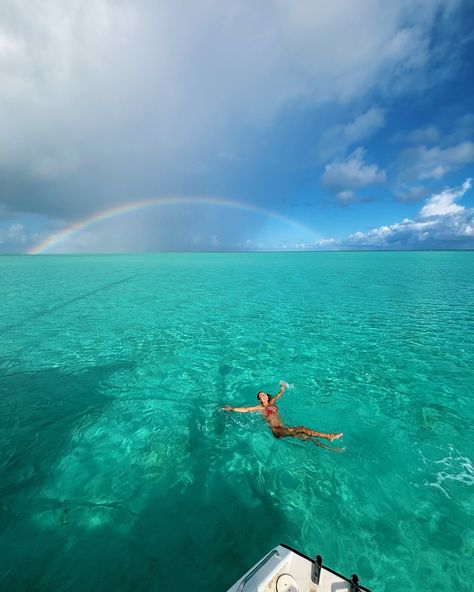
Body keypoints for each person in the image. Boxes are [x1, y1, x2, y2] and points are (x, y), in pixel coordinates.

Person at [223, 382, 343, 443]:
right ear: (259, 399)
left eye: (264, 394)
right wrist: (232, 409)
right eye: (261, 396)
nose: (263, 395)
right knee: (302, 428)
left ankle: (322, 444)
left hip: (282, 427)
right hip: (276, 430)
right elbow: (246, 409)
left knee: (305, 437)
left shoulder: (272, 402)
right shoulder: (260, 408)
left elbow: (279, 395)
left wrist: (283, 387)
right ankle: (328, 436)